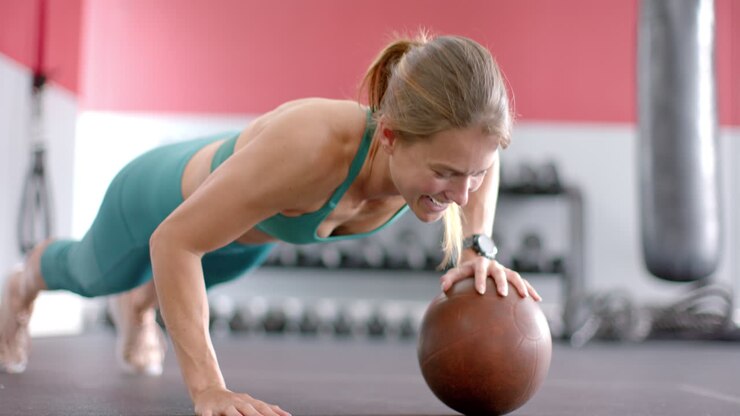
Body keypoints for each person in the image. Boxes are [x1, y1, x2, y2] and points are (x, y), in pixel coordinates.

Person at [0, 33, 541, 416]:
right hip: (156, 199)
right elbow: (176, 240)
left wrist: (476, 249)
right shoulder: (313, 146)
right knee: (97, 276)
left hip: (252, 236)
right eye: (445, 173)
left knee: (204, 271)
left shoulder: (458, 157)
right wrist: (209, 389)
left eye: (475, 171)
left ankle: (141, 308)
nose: (461, 191)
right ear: (392, 135)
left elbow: (480, 170)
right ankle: (24, 282)